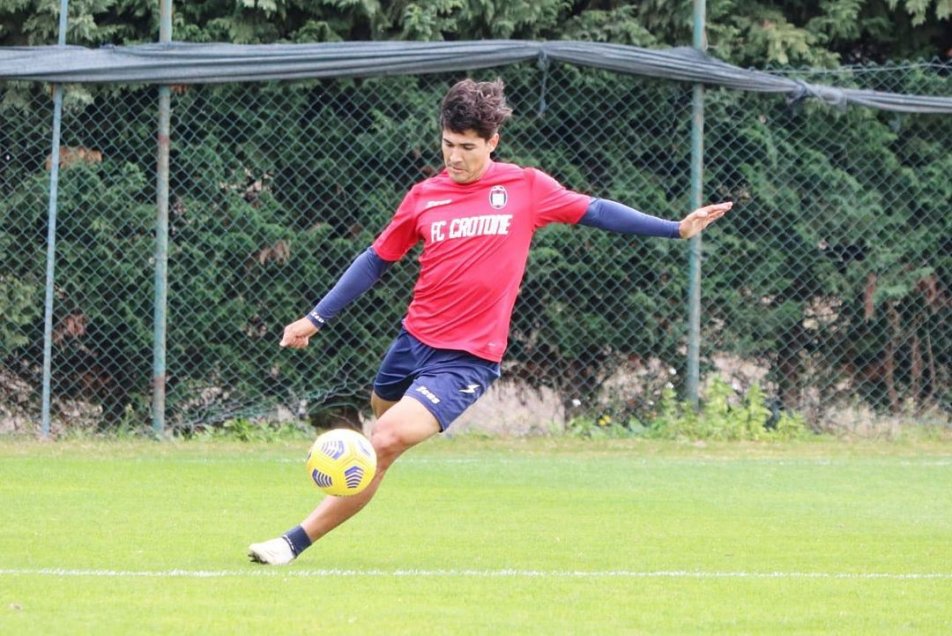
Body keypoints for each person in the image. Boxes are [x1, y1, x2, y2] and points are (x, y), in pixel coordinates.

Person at [248, 78, 731, 565]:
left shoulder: (526, 188)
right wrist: (316, 317)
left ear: (492, 142)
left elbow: (596, 210)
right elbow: (376, 259)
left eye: (467, 147)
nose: (454, 157)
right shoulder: (424, 196)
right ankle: (366, 469)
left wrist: (675, 228)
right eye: (447, 144)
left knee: (383, 442)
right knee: (382, 434)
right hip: (411, 344)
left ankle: (292, 542)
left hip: (468, 358)